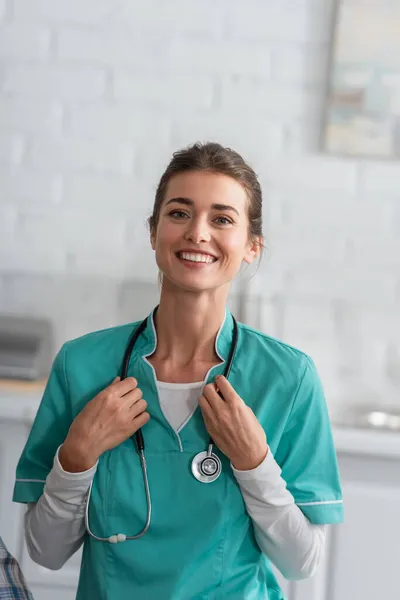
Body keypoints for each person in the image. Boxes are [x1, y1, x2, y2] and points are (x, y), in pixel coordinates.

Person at [13, 142, 343, 600]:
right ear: (153, 233)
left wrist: (254, 463)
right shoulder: (81, 365)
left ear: (251, 246)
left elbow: (300, 562)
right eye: (179, 213)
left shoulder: (288, 378)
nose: (198, 234)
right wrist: (77, 456)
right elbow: (45, 552)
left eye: (222, 219)